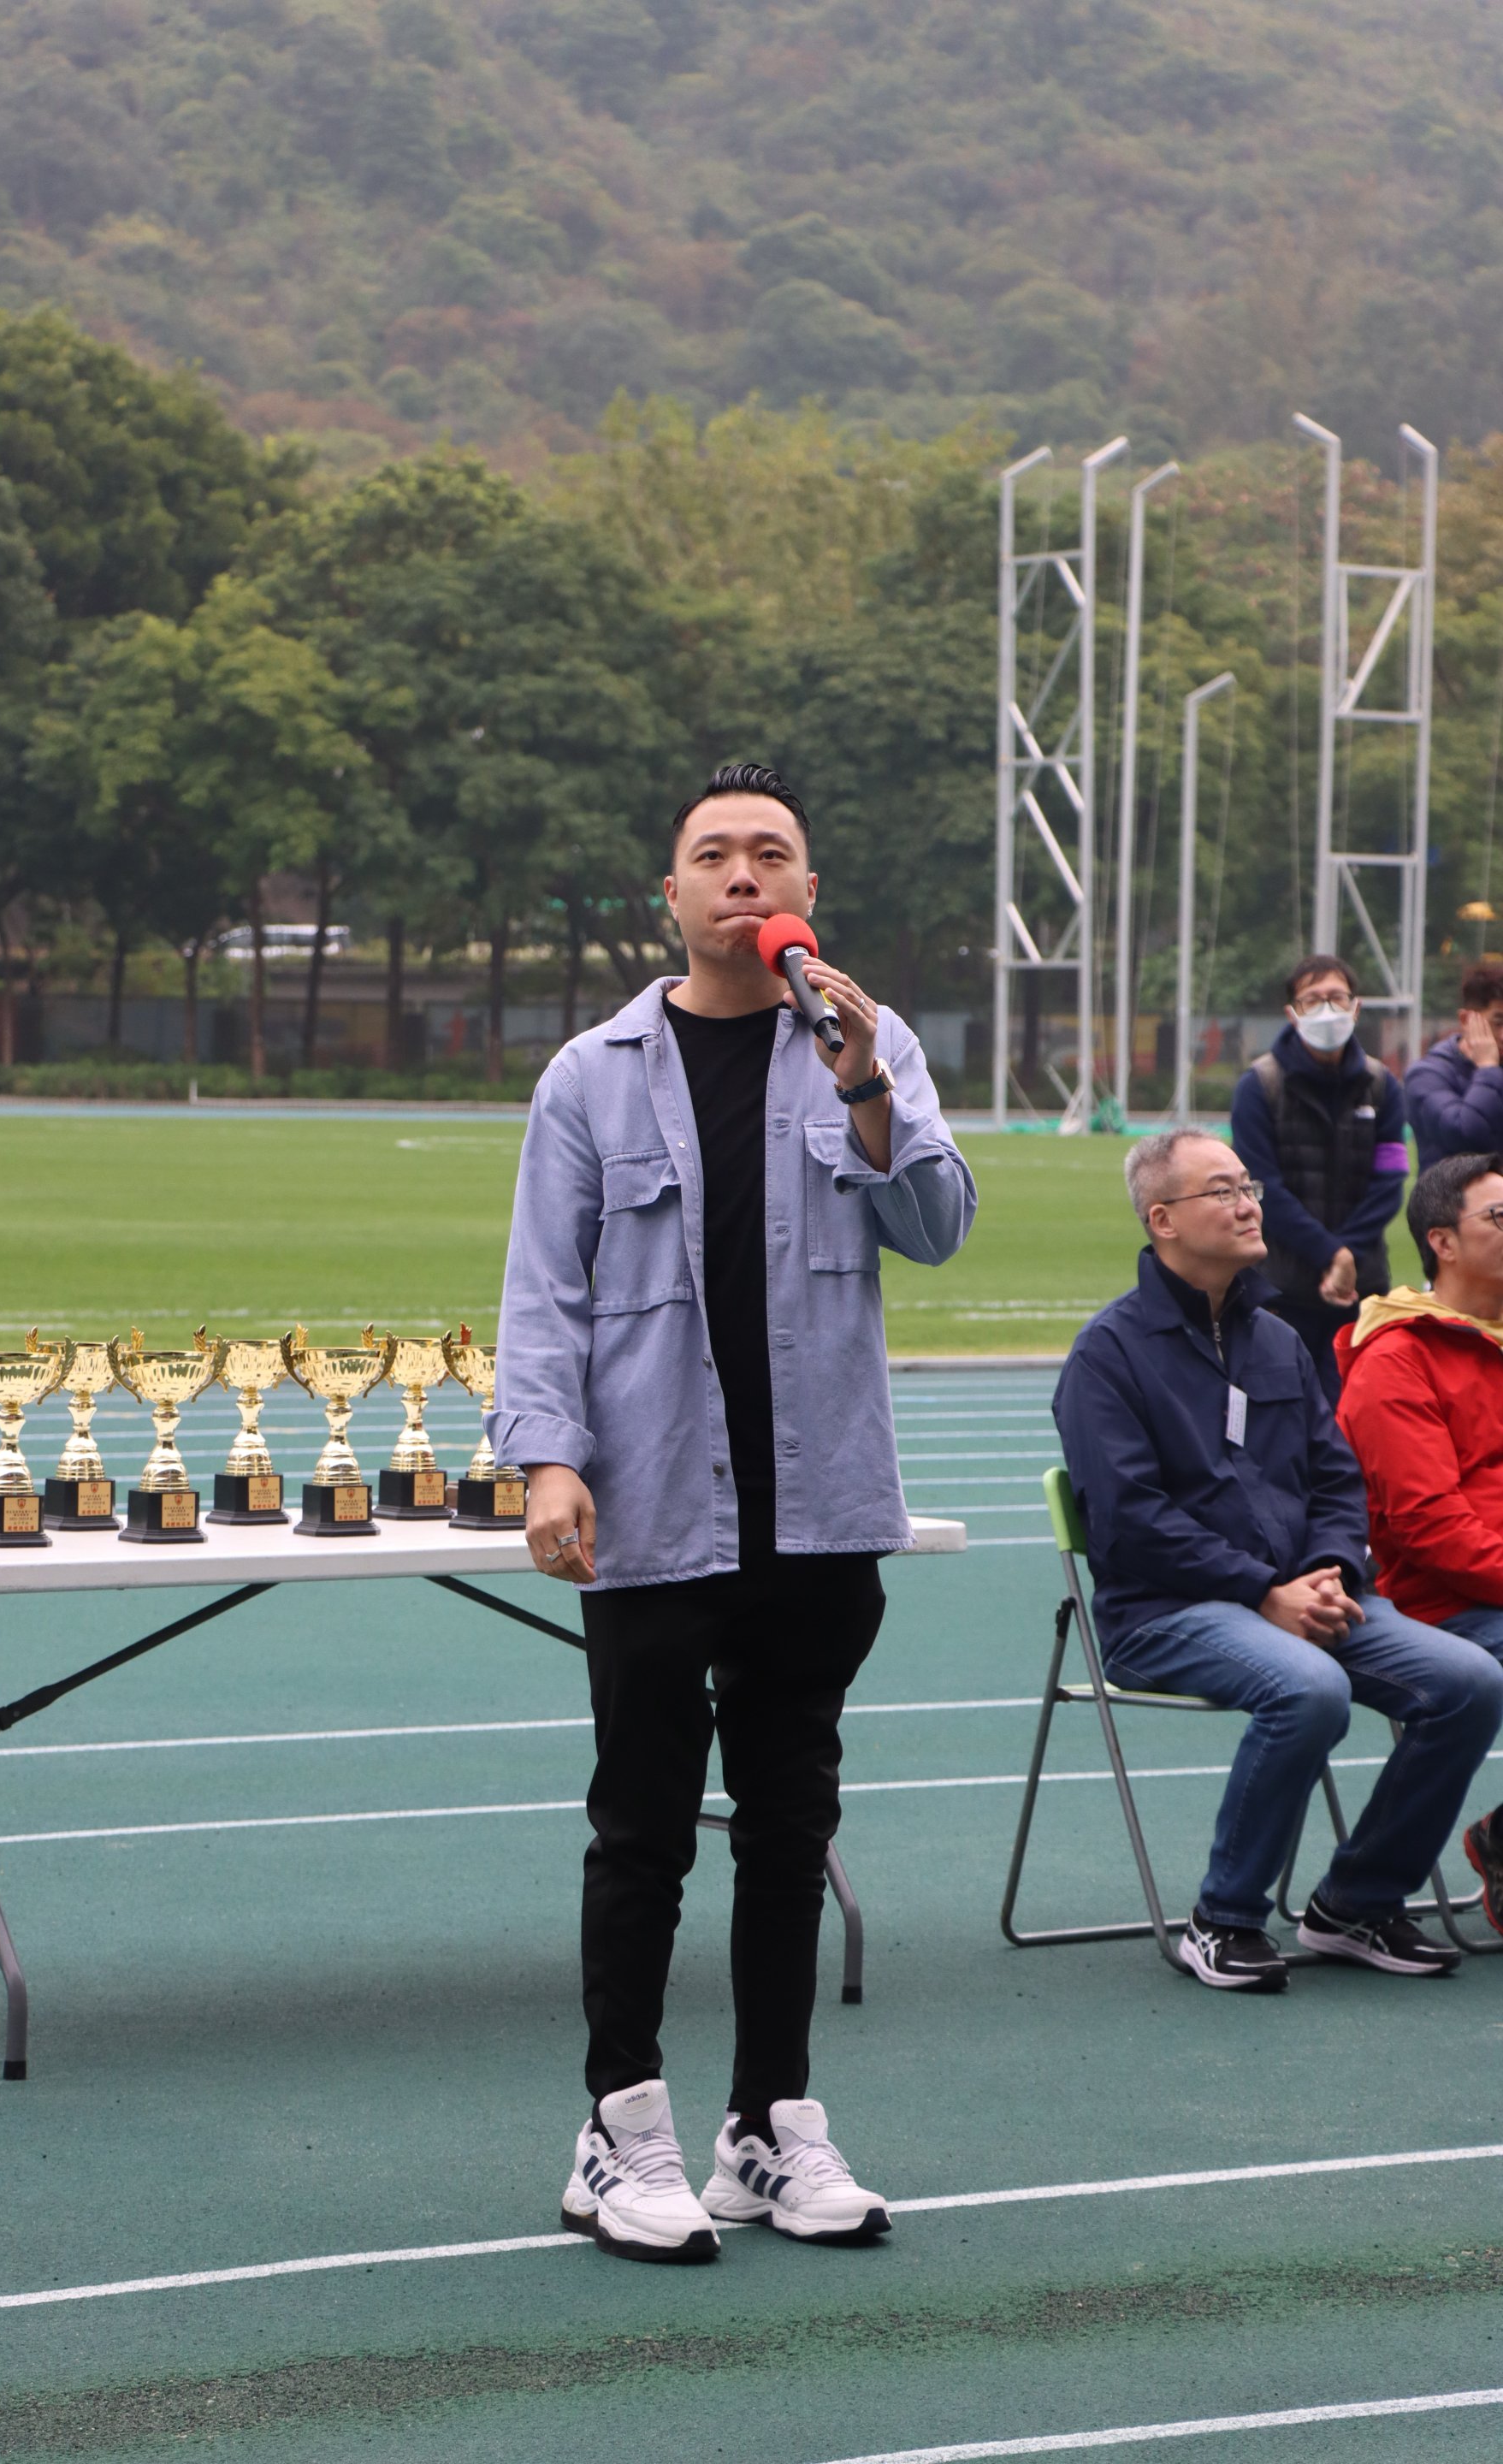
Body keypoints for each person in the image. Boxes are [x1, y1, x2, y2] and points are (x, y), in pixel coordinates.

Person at [488, 760, 976, 2263]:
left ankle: (769, 2125)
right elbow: (544, 1288)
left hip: (818, 1513)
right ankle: (618, 2127)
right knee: (642, 1829)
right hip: (654, 1509)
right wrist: (547, 1458)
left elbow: (939, 1226)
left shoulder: (867, 1043)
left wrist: (866, 1083)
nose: (745, 876)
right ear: (674, 894)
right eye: (715, 855)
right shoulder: (591, 1074)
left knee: (789, 1826)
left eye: (772, 854)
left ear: (808, 894)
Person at [1052, 1125, 1503, 1994]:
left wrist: (1329, 1570)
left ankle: (1356, 1902)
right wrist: (1263, 1590)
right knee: (1309, 1688)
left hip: (1301, 1596)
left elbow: (1336, 1479)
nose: (1247, 1204)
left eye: (1248, 1186)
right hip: (1166, 1612)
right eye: (1221, 1191)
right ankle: (1224, 1918)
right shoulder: (1108, 1353)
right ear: (1162, 1220)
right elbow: (1131, 1520)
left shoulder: (1274, 1340)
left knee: (1469, 1681)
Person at [1334, 1149, 1503, 1933]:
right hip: (1442, 1605)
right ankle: (1359, 1895)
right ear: (1442, 1241)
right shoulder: (1397, 1359)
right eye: (1500, 1216)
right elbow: (1432, 1531)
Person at [1228, 953, 1408, 1404]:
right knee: (1284, 1415)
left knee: (1360, 1413)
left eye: (1337, 997)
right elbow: (1262, 1188)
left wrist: (1347, 1256)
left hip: (1361, 1288)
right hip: (1281, 1288)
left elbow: (1389, 1183)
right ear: (1292, 1013)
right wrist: (1332, 1254)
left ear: (1356, 1007)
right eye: (1312, 999)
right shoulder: (1260, 1086)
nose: (1327, 1009)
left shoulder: (1382, 1086)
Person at [1405, 962, 1503, 1165]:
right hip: (1455, 1186)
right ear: (1466, 1020)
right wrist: (1487, 1067)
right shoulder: (1427, 1075)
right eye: (1498, 1023)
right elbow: (1465, 1136)